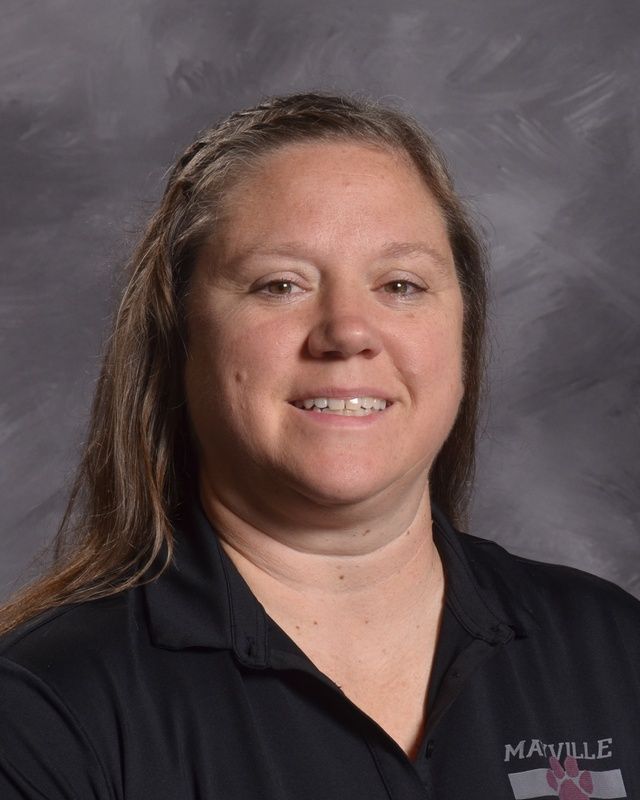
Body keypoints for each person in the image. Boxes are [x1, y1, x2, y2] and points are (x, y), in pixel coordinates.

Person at [0, 92, 638, 800]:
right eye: (280, 285)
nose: (346, 331)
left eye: (400, 284)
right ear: (180, 339)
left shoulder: (613, 649)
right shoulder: (42, 711)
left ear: (463, 331)